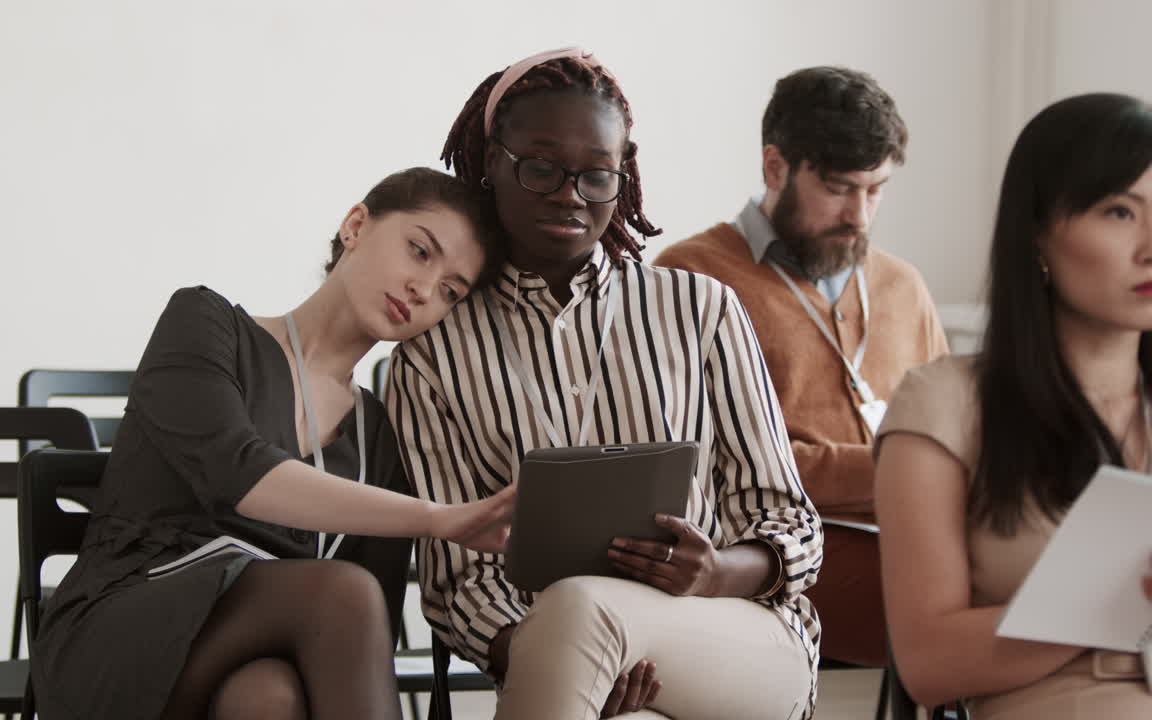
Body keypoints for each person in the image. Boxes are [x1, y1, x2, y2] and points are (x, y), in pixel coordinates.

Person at [387, 48, 822, 720]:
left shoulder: (701, 309)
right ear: (489, 162)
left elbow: (790, 521)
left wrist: (715, 573)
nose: (569, 194)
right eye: (541, 167)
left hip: (737, 636)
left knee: (579, 605)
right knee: (585, 637)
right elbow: (457, 583)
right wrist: (553, 656)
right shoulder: (431, 350)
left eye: (596, 176)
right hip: (566, 663)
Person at [32, 167, 516, 720]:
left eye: (451, 292)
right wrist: (436, 517)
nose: (425, 290)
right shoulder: (205, 325)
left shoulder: (380, 435)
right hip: (117, 633)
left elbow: (364, 632)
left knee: (269, 696)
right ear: (356, 224)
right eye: (419, 252)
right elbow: (236, 473)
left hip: (243, 662)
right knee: (342, 593)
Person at [874, 92, 1152, 719]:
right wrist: (1131, 593)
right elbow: (928, 664)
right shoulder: (944, 407)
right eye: (1120, 212)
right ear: (1038, 232)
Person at [654, 66, 947, 666]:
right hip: (780, 557)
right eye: (840, 188)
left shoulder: (902, 286)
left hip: (919, 536)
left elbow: (950, 436)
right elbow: (701, 470)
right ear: (775, 168)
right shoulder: (691, 278)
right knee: (982, 600)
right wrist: (893, 471)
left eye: (876, 189)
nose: (860, 216)